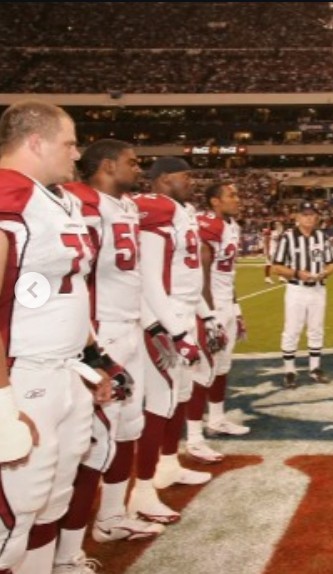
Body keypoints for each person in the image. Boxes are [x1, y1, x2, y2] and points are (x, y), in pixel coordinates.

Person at [0, 100, 112, 574]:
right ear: (35, 141)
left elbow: (63, 293)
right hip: (25, 376)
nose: (76, 152)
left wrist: (95, 358)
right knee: (16, 510)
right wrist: (3, 398)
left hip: (65, 369)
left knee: (52, 498)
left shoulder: (47, 197)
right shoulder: (11, 196)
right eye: (69, 142)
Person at [54, 140, 164, 572]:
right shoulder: (80, 202)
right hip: (100, 337)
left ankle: (113, 517)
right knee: (90, 446)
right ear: (107, 165)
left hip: (130, 330)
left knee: (126, 432)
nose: (139, 169)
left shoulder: (128, 207)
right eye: (132, 162)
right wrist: (92, 349)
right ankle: (65, 554)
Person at [130, 156, 215, 525]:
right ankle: (141, 490)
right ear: (163, 179)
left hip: (183, 310)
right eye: (185, 174)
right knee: (159, 403)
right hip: (162, 318)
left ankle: (168, 463)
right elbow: (150, 280)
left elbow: (188, 275)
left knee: (180, 395)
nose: (191, 180)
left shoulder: (182, 212)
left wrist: (206, 316)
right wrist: (173, 331)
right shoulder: (158, 212)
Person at [186, 182, 249, 455]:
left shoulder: (232, 225)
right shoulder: (208, 225)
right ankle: (193, 437)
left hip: (225, 305)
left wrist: (236, 310)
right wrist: (209, 317)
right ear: (214, 201)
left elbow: (228, 276)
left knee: (222, 367)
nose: (237, 199)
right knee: (203, 371)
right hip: (209, 306)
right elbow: (202, 273)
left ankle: (217, 418)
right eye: (231, 195)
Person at [272, 201, 333, 388]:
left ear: (316, 217)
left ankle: (315, 368)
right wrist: (296, 273)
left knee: (316, 329)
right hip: (296, 288)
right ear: (297, 217)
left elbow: (332, 263)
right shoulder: (288, 238)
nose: (309, 218)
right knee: (292, 330)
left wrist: (325, 272)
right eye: (305, 214)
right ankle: (289, 370)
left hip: (318, 289)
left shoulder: (322, 238)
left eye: (312, 215)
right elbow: (277, 266)